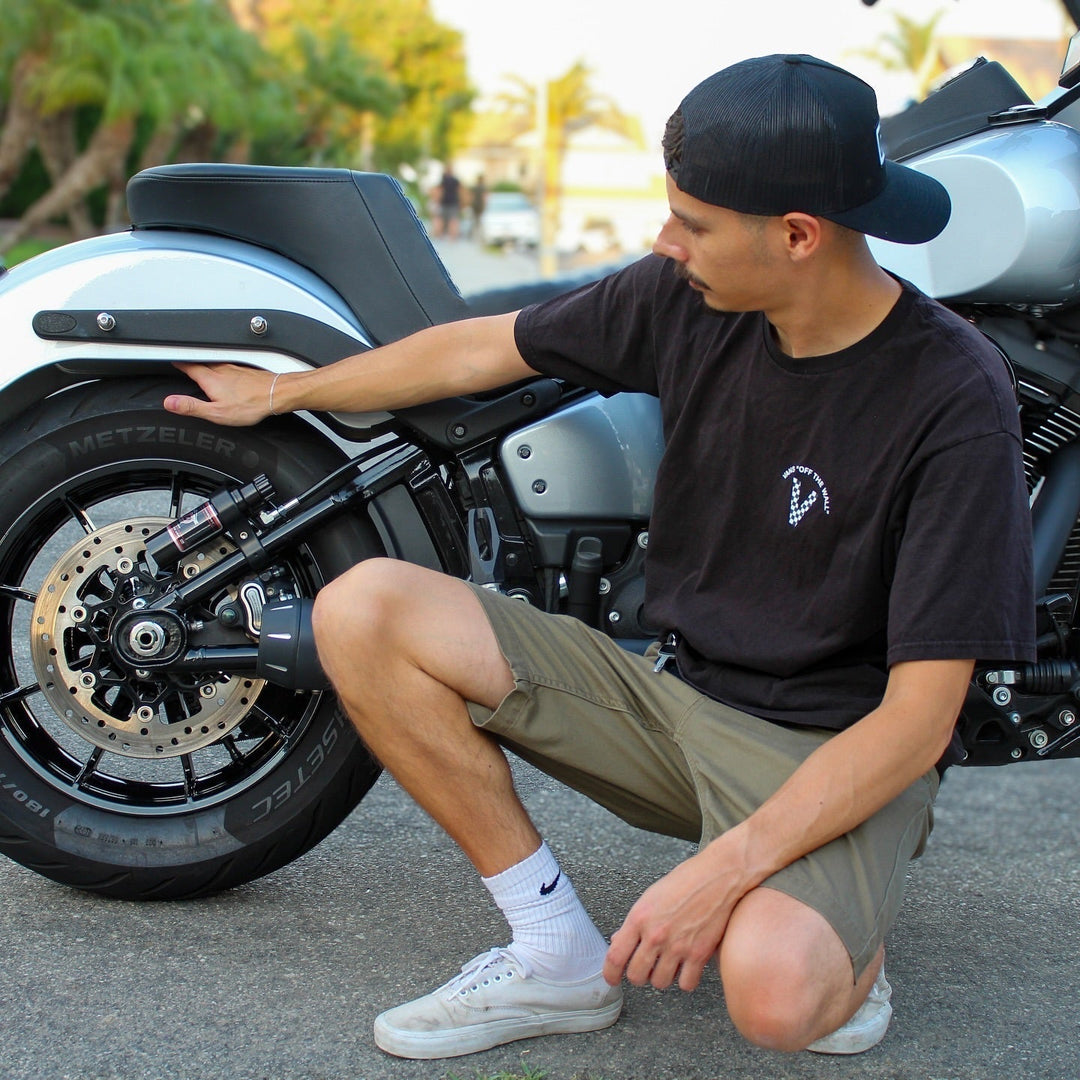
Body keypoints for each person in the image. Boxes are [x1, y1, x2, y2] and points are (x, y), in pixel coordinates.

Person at [163, 54, 1034, 1061]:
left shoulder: (952, 395)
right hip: (673, 707)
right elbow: (484, 347)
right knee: (363, 610)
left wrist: (728, 867)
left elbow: (920, 723)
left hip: (836, 750)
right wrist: (283, 395)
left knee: (776, 999)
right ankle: (555, 955)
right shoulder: (689, 299)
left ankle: (847, 945)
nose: (668, 243)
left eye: (694, 224)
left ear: (798, 235)